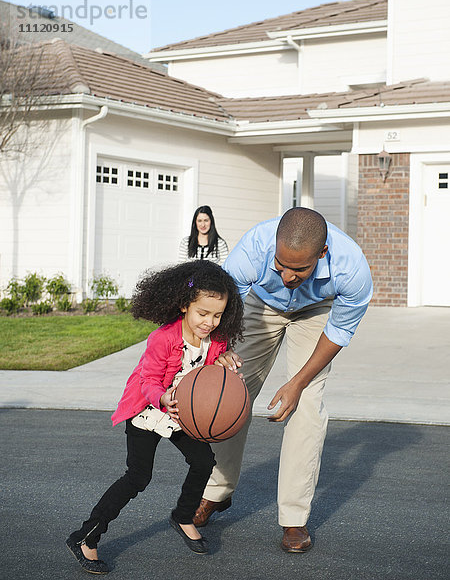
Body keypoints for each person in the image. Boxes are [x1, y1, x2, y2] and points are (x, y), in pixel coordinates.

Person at [192, 207, 373, 553]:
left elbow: (340, 331)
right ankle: (215, 491)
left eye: (300, 268)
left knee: (305, 406)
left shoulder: (352, 269)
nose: (288, 276)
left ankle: (294, 517)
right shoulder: (254, 249)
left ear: (322, 254)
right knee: (231, 391)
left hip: (318, 309)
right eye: (281, 265)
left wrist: (298, 383)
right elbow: (223, 305)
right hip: (260, 303)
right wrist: (221, 352)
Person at [66, 260, 244, 574]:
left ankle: (183, 515)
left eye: (217, 315)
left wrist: (226, 361)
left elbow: (210, 372)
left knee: (203, 462)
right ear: (184, 305)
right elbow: (148, 380)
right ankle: (85, 538)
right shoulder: (163, 338)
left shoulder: (215, 340)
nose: (209, 322)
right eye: (203, 313)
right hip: (148, 410)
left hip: (181, 413)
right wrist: (161, 397)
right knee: (138, 477)